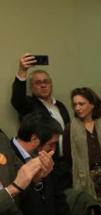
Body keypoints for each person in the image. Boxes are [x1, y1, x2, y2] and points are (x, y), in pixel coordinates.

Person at [11, 53, 72, 189]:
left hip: (63, 164)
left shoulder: (60, 106)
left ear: (51, 85)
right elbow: (17, 99)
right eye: (38, 83)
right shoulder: (29, 104)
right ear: (31, 87)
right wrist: (22, 70)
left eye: (46, 82)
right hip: (41, 163)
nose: (43, 85)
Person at [65, 87, 101, 199]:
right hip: (84, 177)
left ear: (92, 104)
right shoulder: (70, 128)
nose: (77, 108)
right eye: (75, 104)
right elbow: (68, 158)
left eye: (81, 104)